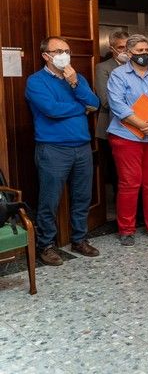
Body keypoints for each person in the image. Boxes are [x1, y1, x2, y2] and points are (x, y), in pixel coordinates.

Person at [25, 36, 101, 265]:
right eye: (58, 51)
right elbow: (51, 110)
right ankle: (45, 245)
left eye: (66, 50)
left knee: (82, 197)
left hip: (82, 148)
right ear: (45, 56)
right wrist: (81, 108)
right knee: (49, 200)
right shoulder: (36, 81)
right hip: (53, 149)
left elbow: (95, 104)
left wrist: (75, 84)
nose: (64, 55)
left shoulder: (77, 78)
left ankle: (79, 239)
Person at [107, 34, 148, 246]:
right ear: (128, 53)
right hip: (127, 137)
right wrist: (143, 126)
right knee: (129, 183)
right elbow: (117, 105)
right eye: (139, 51)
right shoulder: (118, 75)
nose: (144, 54)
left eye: (147, 50)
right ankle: (126, 229)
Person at [95, 30, 129, 199]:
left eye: (127, 47)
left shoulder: (138, 66)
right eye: (121, 47)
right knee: (118, 173)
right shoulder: (103, 68)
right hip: (112, 126)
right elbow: (106, 101)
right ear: (112, 48)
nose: (125, 51)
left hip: (138, 128)